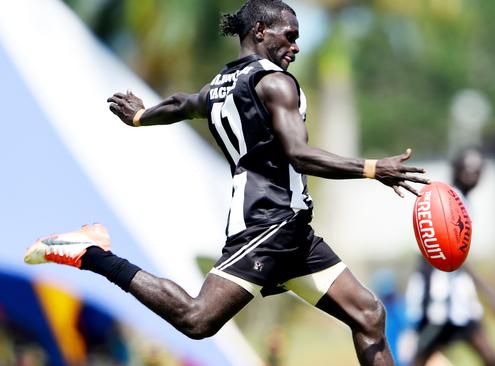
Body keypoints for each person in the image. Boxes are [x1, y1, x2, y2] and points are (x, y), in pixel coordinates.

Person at [24, 1, 430, 365]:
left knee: (369, 313)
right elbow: (298, 153)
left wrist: (141, 116)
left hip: (291, 230)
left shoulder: (221, 84)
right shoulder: (276, 82)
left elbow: (183, 103)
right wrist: (374, 168)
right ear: (260, 32)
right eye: (289, 35)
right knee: (197, 319)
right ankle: (93, 254)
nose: (297, 46)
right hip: (268, 224)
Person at [405, 148, 495, 366]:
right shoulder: (448, 204)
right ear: (456, 169)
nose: (473, 175)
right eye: (468, 169)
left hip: (459, 302)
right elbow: (453, 255)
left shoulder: (462, 201)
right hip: (439, 300)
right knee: (421, 357)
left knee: (489, 355)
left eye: (478, 170)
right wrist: (490, 294)